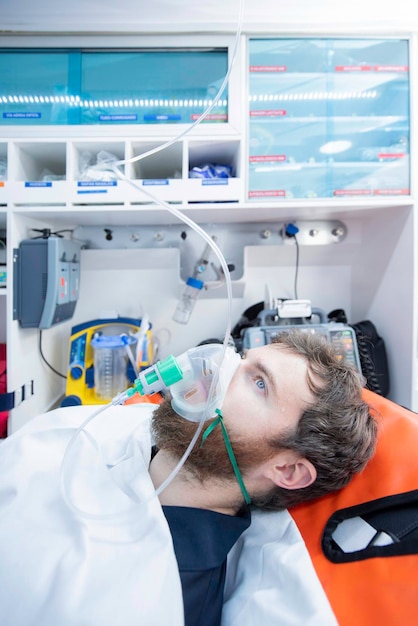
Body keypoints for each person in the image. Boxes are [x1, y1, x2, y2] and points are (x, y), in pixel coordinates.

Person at [0, 329, 377, 626]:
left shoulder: (164, 598)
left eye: (259, 383)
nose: (219, 365)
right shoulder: (126, 424)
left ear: (288, 470)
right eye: (242, 357)